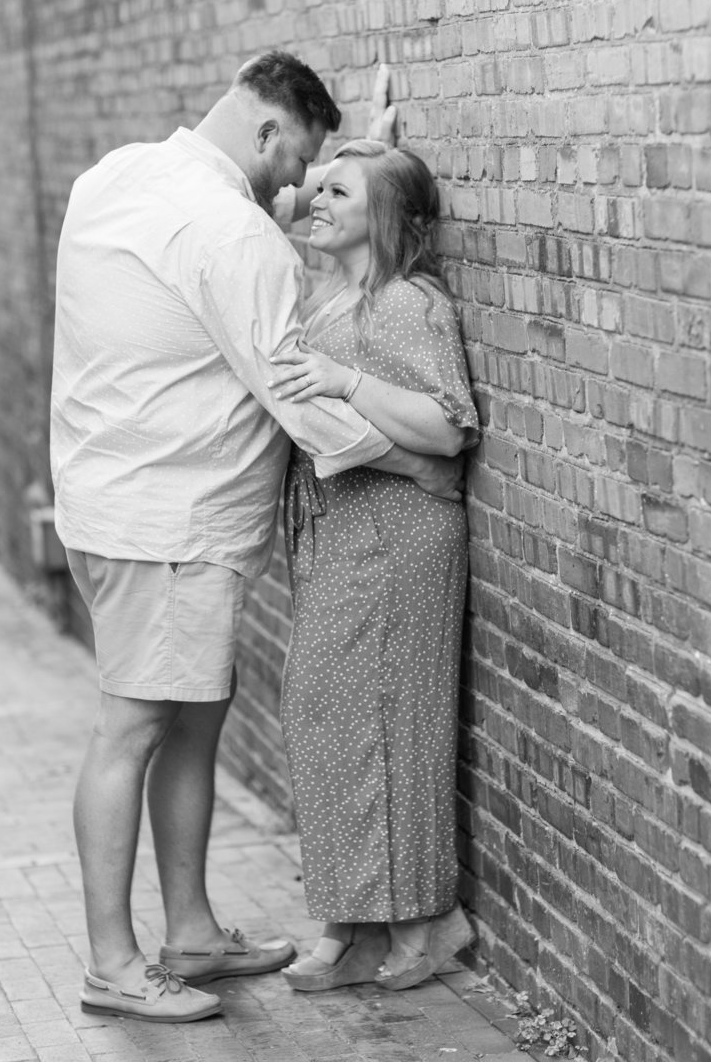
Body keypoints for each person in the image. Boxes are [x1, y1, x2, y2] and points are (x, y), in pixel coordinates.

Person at [49, 52, 462, 1024]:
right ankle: (113, 963)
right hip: (170, 524)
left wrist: (354, 171)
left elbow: (223, 259)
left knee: (192, 720)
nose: (292, 189)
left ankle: (189, 932)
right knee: (133, 728)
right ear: (271, 133)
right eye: (298, 165)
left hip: (110, 496)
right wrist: (413, 465)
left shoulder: (116, 176)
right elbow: (292, 387)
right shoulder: (231, 233)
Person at [267, 139, 480, 993]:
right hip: (345, 535)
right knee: (327, 717)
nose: (315, 199)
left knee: (383, 725)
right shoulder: (336, 296)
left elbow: (447, 429)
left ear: (385, 215)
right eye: (316, 186)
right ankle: (350, 921)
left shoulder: (404, 304)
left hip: (397, 544)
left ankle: (426, 921)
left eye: (337, 191)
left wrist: (344, 385)